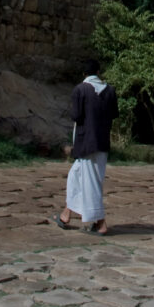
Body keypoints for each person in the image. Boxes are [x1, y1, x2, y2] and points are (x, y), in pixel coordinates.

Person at [54, 59, 118, 235]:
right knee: (76, 177)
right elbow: (114, 114)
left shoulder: (80, 90)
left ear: (84, 74)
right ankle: (66, 214)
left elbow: (76, 115)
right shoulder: (110, 91)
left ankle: (101, 223)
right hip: (102, 141)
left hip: (86, 143)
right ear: (98, 72)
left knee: (91, 183)